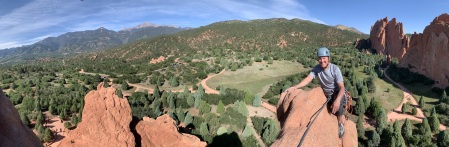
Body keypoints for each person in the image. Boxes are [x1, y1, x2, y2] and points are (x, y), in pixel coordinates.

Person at [285, 47, 346, 138]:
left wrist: (337, 101)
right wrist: (295, 87)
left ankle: (340, 124)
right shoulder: (317, 68)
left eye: (324, 58)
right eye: (320, 58)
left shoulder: (335, 69)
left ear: (328, 58)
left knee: (338, 107)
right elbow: (308, 79)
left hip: (337, 92)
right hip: (326, 94)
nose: (322, 61)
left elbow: (342, 87)